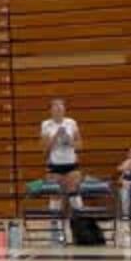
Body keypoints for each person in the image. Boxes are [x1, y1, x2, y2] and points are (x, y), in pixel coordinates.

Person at [41, 98, 86, 231]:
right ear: (51, 110)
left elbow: (80, 145)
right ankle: (55, 229)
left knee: (74, 193)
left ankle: (81, 227)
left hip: (71, 164)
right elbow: (44, 148)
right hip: (55, 165)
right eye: (55, 107)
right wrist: (55, 137)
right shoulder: (46, 124)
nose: (59, 109)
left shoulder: (71, 123)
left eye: (61, 107)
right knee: (55, 195)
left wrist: (69, 140)